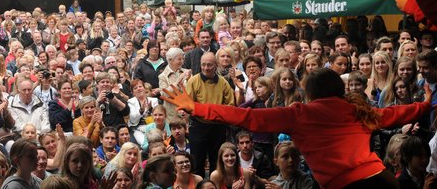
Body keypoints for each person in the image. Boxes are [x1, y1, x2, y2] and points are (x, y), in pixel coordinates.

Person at [163, 68, 435, 189]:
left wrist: (197, 107)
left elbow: (244, 117)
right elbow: (396, 113)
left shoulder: (299, 114)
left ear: (310, 93)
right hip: (381, 178)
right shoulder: (358, 110)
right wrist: (424, 105)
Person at [185, 52, 235, 178]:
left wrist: (217, 113)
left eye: (209, 65)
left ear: (216, 65)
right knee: (197, 162)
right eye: (203, 65)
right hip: (198, 126)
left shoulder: (223, 82)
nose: (206, 68)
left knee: (216, 161)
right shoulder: (193, 81)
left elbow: (230, 104)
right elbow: (188, 105)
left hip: (218, 127)